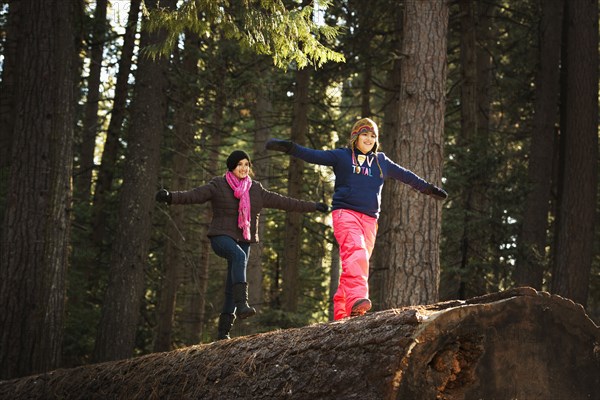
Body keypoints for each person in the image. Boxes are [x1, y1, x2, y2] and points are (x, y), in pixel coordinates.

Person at [265, 118, 447, 320]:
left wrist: (428, 189)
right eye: (364, 134)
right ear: (355, 136)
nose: (369, 139)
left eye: (372, 135)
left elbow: (407, 176)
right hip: (345, 214)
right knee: (356, 254)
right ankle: (358, 300)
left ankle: (342, 315)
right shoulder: (342, 156)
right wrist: (289, 147)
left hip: (370, 220)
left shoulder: (381, 161)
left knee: (354, 264)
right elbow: (313, 155)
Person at [155, 150, 330, 340]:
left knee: (232, 281)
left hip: (244, 239)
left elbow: (284, 202)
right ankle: (242, 304)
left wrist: (314, 206)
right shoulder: (218, 184)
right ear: (231, 166)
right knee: (238, 256)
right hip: (221, 237)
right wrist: (170, 197)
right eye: (239, 164)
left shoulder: (256, 189)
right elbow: (194, 195)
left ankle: (223, 332)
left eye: (247, 164)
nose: (244, 168)